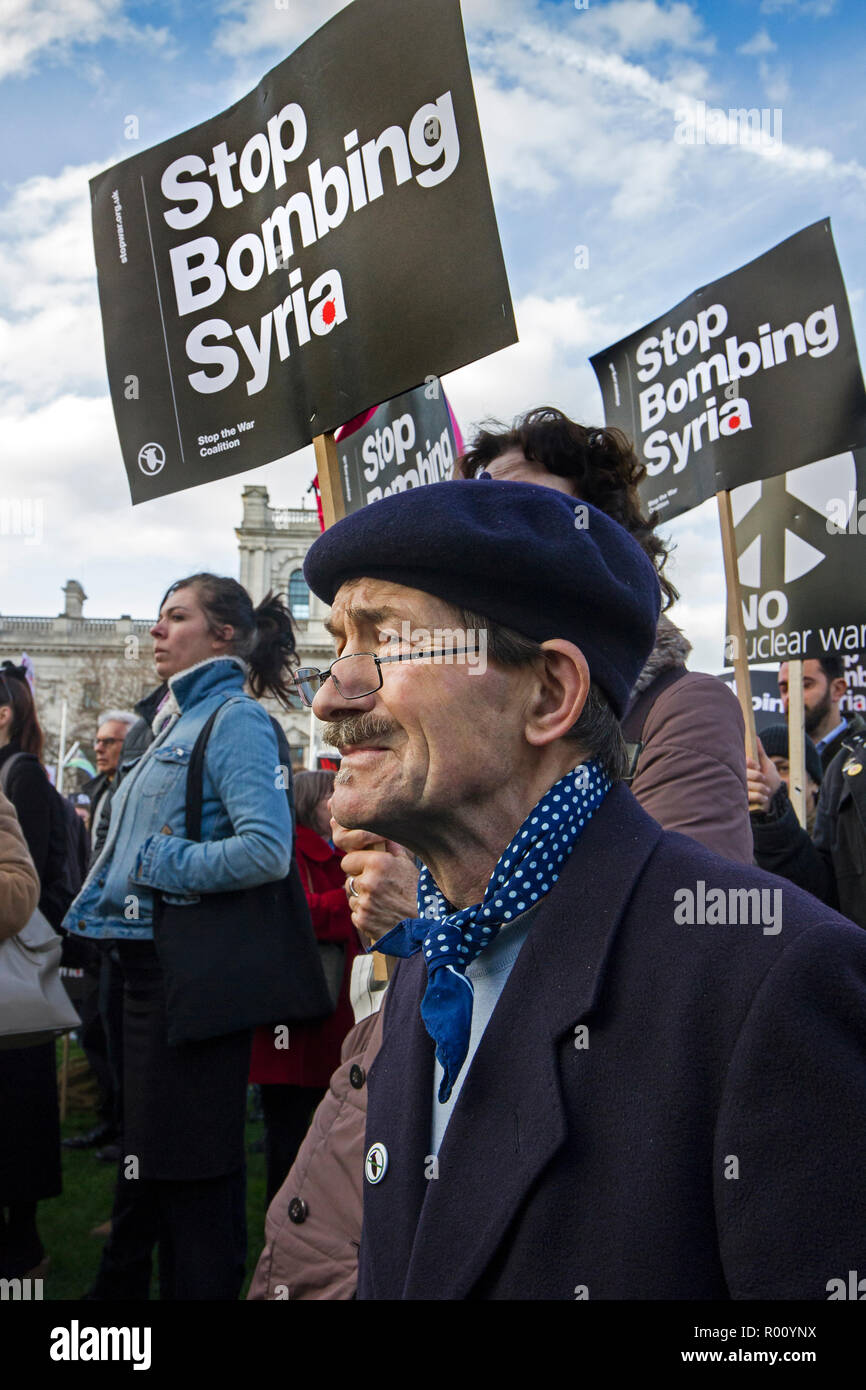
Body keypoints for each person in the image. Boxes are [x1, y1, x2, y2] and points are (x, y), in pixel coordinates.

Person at [293, 478, 866, 1299]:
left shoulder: (771, 979)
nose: (330, 695)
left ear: (550, 693)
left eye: (385, 642)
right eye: (339, 645)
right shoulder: (433, 961)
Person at [66, 574, 295, 1301]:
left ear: (223, 634)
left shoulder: (233, 719)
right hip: (137, 969)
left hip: (183, 973)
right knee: (155, 1167)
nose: (157, 631)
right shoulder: (165, 720)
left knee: (195, 1179)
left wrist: (167, 862)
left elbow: (268, 849)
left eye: (176, 617)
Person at [249, 769, 361, 1205]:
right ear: (307, 804)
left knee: (327, 1124)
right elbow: (299, 916)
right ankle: (283, 1219)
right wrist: (353, 893)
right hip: (295, 1022)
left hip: (326, 1009)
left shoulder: (334, 854)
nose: (335, 806)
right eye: (327, 799)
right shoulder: (288, 853)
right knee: (288, 1129)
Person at [0, 662, 64, 1280]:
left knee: (17, 1123)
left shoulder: (17, 780)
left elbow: (28, 889)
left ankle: (22, 1253)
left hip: (12, 988)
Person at [64, 709, 139, 1162]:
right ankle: (110, 1119)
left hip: (123, 930)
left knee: (120, 1034)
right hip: (96, 930)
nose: (99, 747)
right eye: (97, 741)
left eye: (109, 741)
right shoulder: (97, 790)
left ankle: (128, 1132)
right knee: (94, 1027)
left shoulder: (130, 789)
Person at [778, 656, 866, 774]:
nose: (790, 696)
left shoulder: (861, 752)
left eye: (805, 685)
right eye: (785, 689)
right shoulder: (772, 754)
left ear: (837, 689)